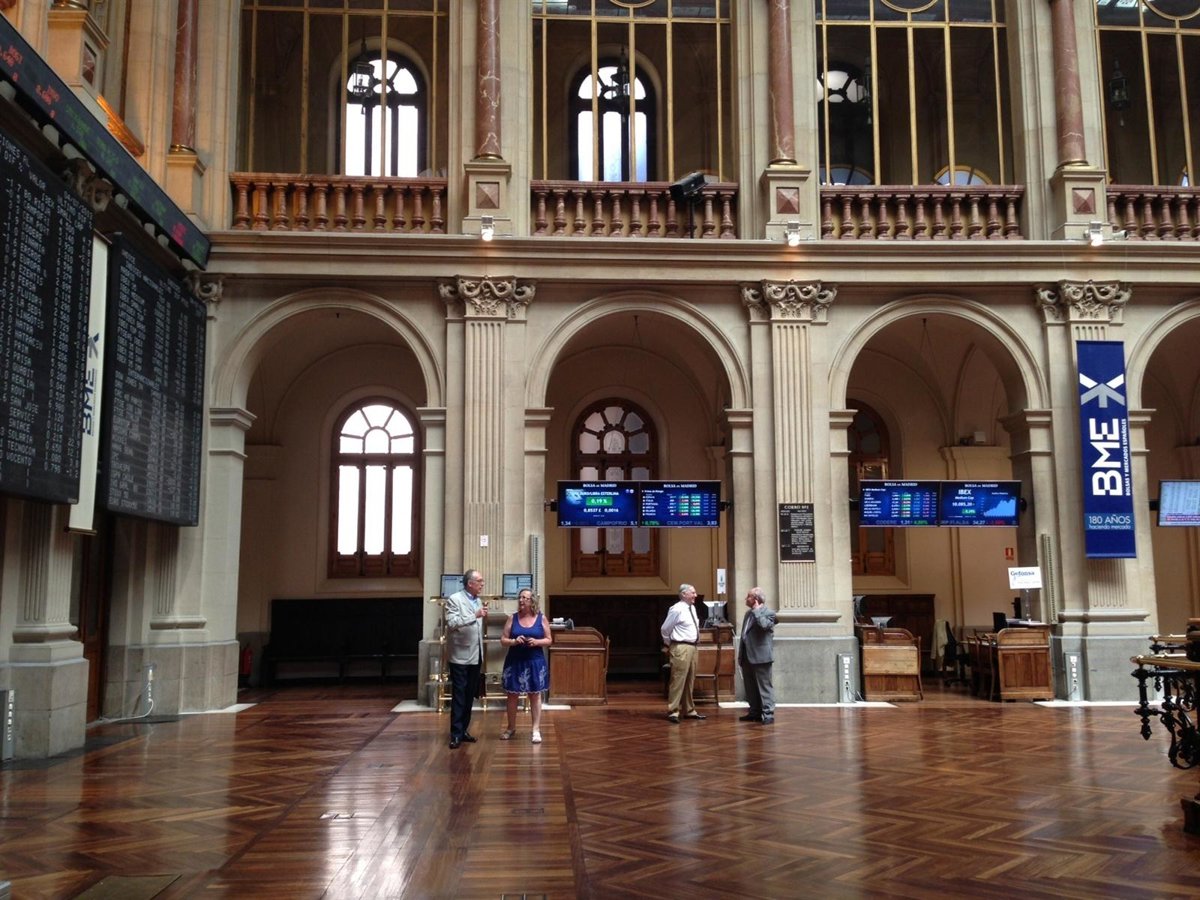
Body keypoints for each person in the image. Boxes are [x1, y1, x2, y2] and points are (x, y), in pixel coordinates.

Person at [499, 588, 552, 743]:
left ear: (532, 601)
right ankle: (511, 728)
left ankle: (535, 730)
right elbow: (503, 640)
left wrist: (537, 642)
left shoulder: (541, 618)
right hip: (515, 661)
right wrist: (514, 641)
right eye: (520, 597)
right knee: (512, 695)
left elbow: (549, 640)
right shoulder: (512, 618)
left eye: (525, 598)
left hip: (535, 662)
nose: (521, 600)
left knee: (535, 695)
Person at [444, 569, 487, 749]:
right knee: (459, 695)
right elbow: (452, 623)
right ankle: (455, 734)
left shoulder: (478, 600)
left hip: (476, 656)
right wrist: (474, 615)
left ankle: (463, 731)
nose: (482, 584)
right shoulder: (454, 599)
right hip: (460, 657)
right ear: (470, 583)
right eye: (480, 581)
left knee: (470, 695)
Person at [660, 583, 707, 723]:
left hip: (692, 647)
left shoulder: (691, 607)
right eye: (693, 593)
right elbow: (665, 629)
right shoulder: (677, 609)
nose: (695, 595)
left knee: (689, 680)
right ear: (684, 594)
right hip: (681, 647)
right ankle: (673, 711)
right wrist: (670, 644)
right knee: (678, 679)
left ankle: (689, 710)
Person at [738, 586, 776, 725]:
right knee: (750, 687)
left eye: (748, 596)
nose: (745, 599)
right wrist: (740, 656)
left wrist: (757, 611)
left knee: (764, 687)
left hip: (761, 657)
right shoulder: (747, 614)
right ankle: (754, 712)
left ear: (756, 599)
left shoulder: (769, 613)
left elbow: (764, 626)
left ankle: (768, 714)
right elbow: (744, 636)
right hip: (747, 656)